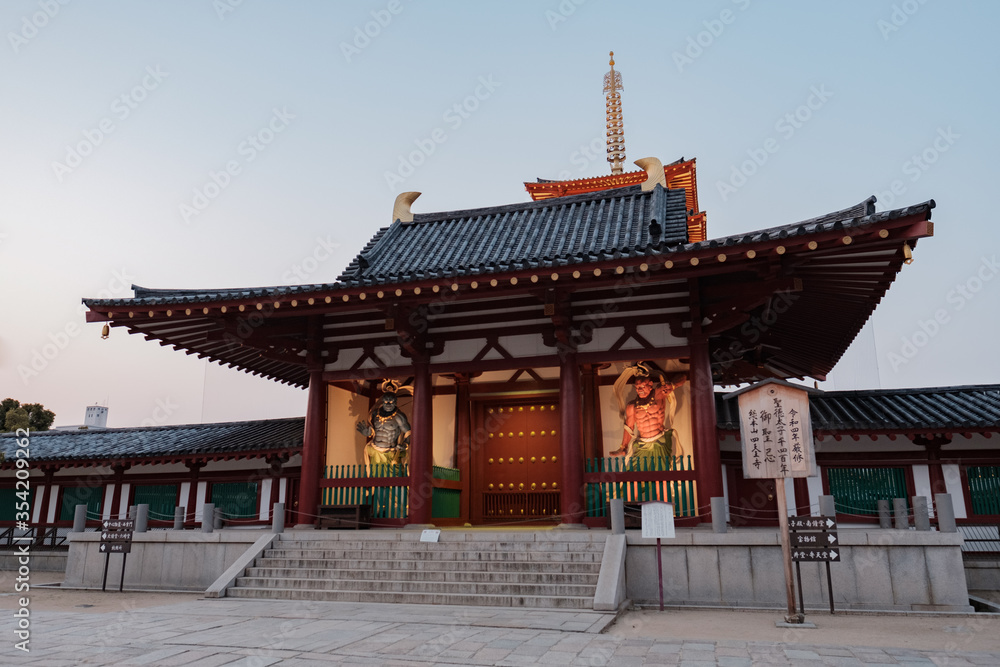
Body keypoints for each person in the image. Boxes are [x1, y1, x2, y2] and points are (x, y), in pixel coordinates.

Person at [610, 363, 686, 467]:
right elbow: (629, 427)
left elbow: (683, 377)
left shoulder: (659, 394)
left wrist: (672, 385)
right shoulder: (632, 406)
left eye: (642, 386)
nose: (639, 390)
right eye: (637, 387)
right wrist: (623, 447)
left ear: (650, 385)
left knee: (662, 477)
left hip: (660, 442)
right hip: (643, 445)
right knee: (634, 477)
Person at [356, 381, 411, 467]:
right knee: (376, 478)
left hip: (391, 453)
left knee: (394, 479)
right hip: (375, 451)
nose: (388, 404)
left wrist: (405, 444)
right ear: (382, 402)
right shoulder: (374, 414)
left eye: (391, 402)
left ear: (396, 402)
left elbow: (408, 432)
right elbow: (373, 430)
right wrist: (368, 433)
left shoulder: (399, 416)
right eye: (385, 402)